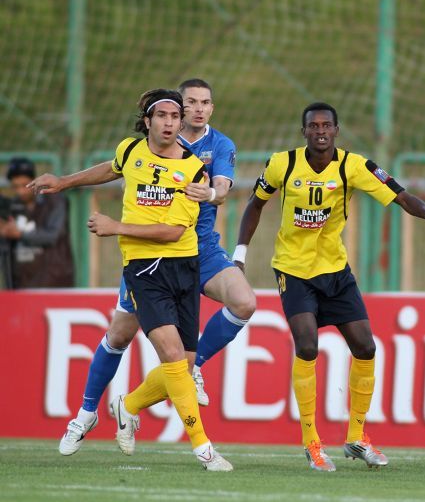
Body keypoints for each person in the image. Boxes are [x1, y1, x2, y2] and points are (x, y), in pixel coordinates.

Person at [29, 79, 256, 456]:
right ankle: (86, 414)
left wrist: (211, 193)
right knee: (119, 335)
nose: (198, 109)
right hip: (148, 257)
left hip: (199, 251)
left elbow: (221, 187)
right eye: (190, 103)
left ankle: (192, 369)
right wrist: (66, 182)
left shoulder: (214, 149)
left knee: (244, 303)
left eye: (205, 103)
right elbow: (114, 167)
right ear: (168, 113)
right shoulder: (143, 147)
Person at [234, 102, 425, 472]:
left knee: (366, 347)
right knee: (308, 345)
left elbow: (400, 195)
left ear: (336, 131)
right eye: (313, 126)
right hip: (293, 270)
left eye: (327, 125)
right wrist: (240, 255)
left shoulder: (354, 166)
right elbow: (254, 205)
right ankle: (312, 442)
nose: (320, 131)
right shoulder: (282, 164)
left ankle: (356, 437)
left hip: (336, 271)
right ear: (304, 131)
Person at [85, 88, 231, 470]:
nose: (169, 122)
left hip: (184, 266)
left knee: (182, 366)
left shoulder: (193, 168)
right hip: (143, 269)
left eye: (174, 116)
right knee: (169, 354)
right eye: (162, 115)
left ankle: (128, 405)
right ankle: (204, 448)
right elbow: (110, 168)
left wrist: (115, 226)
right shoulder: (130, 152)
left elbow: (173, 231)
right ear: (147, 121)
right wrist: (64, 182)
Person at [0, 157, 74, 288]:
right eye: (15, 186)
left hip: (55, 282)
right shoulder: (13, 206)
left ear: (34, 181)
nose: (20, 191)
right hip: (22, 284)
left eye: (25, 185)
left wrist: (19, 234)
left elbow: (52, 236)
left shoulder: (54, 201)